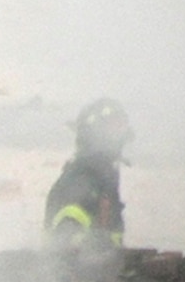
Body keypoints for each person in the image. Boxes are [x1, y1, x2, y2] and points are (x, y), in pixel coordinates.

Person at [45, 99, 132, 248]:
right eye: (113, 128)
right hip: (77, 270)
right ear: (95, 133)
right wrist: (95, 250)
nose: (120, 137)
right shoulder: (82, 178)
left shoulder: (103, 175)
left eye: (121, 127)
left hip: (103, 269)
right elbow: (65, 241)